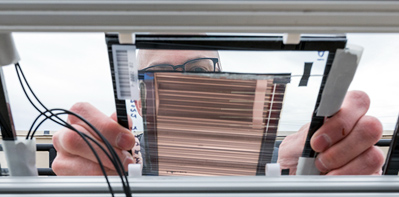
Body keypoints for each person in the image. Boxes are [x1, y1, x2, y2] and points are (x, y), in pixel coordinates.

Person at [52, 49, 384, 176]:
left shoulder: (276, 158)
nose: (185, 86)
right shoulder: (121, 160)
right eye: (162, 75)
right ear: (138, 103)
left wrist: (312, 173)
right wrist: (79, 196)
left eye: (198, 70)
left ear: (225, 82)